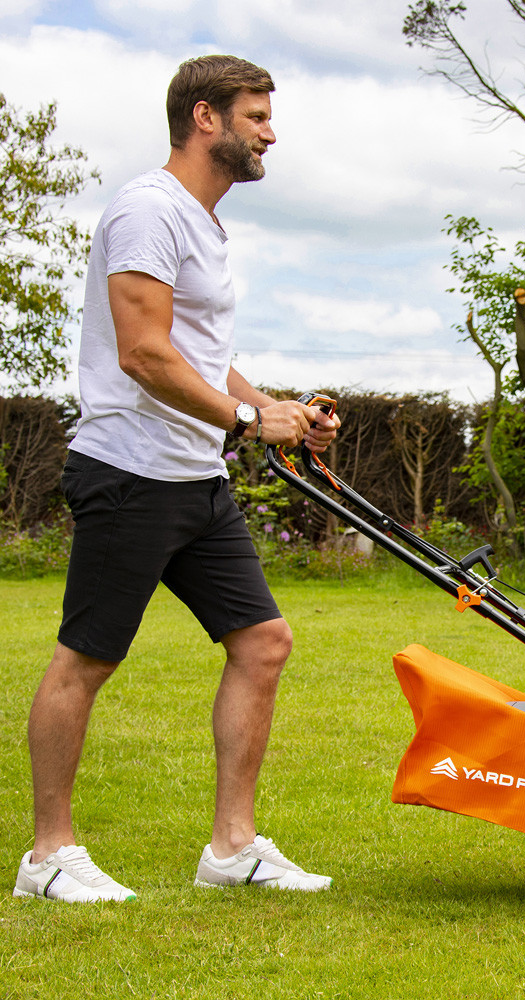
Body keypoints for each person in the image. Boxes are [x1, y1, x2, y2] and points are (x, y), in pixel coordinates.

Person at [13, 55, 340, 902]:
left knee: (263, 643)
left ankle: (231, 849)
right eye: (256, 116)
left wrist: (277, 410)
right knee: (86, 660)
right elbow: (144, 354)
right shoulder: (147, 211)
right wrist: (245, 422)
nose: (271, 133)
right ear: (205, 118)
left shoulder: (203, 223)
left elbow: (199, 355)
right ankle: (47, 858)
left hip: (194, 477)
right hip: (130, 470)